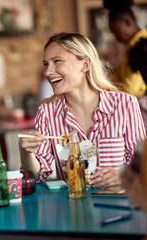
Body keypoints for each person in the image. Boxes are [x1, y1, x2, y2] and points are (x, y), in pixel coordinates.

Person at [19, 32, 146, 188]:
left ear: (85, 64)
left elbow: (142, 166)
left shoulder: (125, 104)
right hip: (72, 206)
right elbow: (37, 175)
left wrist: (122, 176)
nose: (47, 72)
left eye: (57, 61)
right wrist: (26, 152)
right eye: (46, 64)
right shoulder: (47, 113)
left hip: (118, 205)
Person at [104, 0, 147, 98]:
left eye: (116, 32)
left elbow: (130, 90)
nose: (116, 38)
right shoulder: (132, 47)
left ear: (127, 22)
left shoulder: (141, 47)